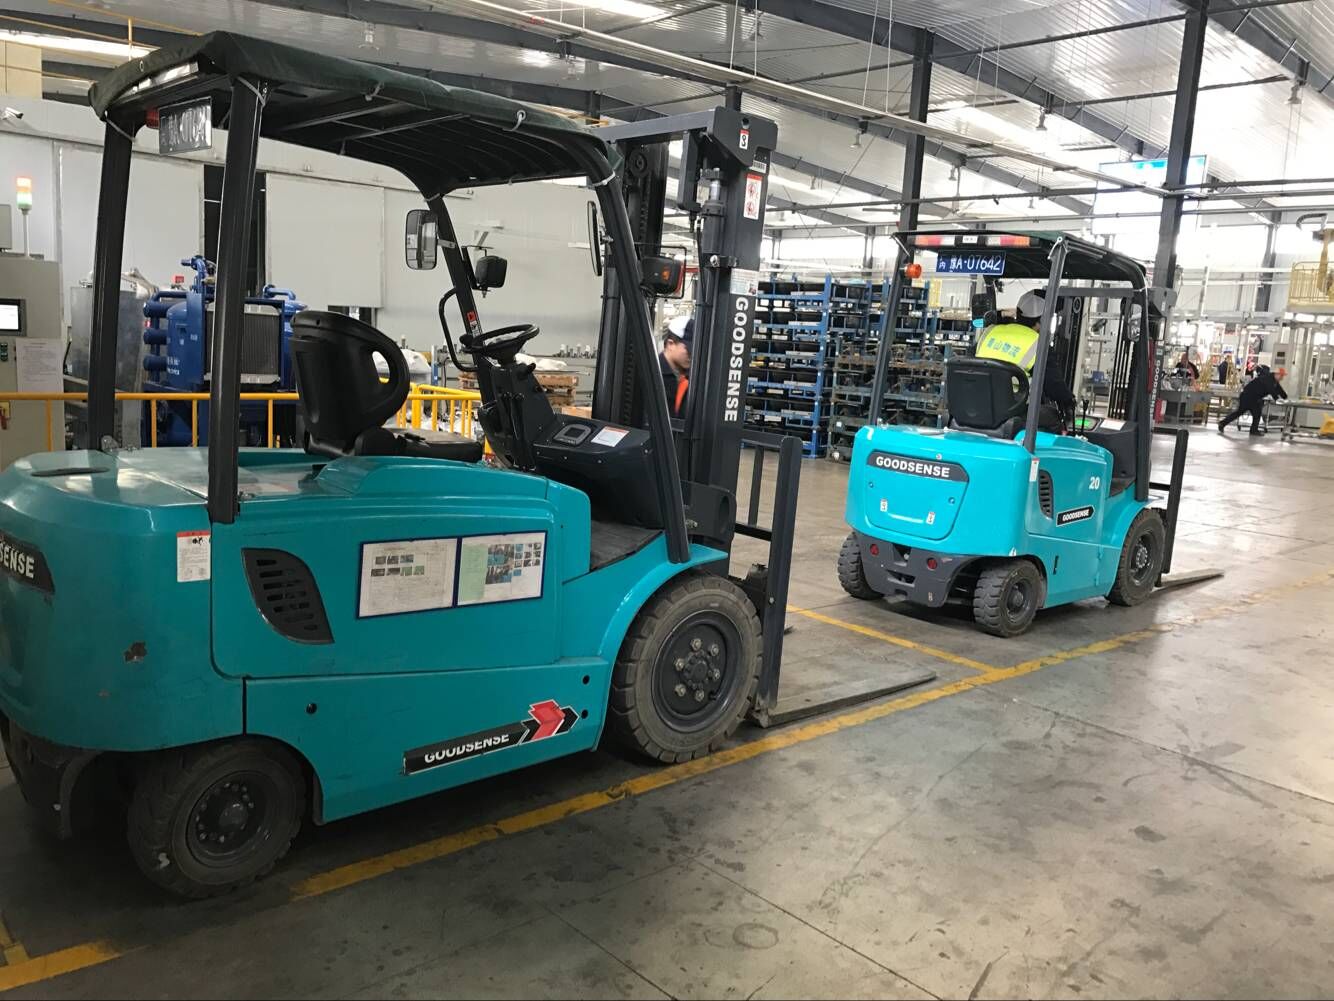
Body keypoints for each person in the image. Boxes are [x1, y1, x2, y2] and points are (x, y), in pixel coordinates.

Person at [975, 289, 1076, 423]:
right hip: (1011, 411)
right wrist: (1069, 400)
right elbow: (1054, 385)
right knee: (1054, 418)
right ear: (1041, 321)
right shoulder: (1039, 345)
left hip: (977, 404)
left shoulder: (991, 331)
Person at [1218, 363, 1287, 435]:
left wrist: (1285, 397)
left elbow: (1279, 389)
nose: (1282, 378)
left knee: (1255, 413)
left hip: (1253, 398)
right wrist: (1277, 398)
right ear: (1276, 374)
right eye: (1281, 375)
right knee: (1243, 412)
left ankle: (1224, 423)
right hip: (1248, 396)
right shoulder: (1268, 378)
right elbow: (1271, 389)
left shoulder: (1274, 380)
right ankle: (1224, 423)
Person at [659, 315, 692, 417]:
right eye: (689, 350)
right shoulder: (654, 374)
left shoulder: (689, 377)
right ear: (671, 344)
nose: (692, 356)